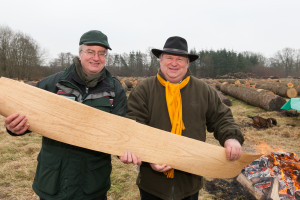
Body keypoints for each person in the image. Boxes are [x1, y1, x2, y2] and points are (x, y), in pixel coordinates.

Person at [5, 30, 130, 200]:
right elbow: (26, 116)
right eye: (90, 52)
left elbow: (119, 135)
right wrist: (14, 128)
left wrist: (124, 152)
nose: (96, 57)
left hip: (92, 184)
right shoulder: (53, 83)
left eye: (102, 53)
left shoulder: (115, 90)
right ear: (80, 53)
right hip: (54, 181)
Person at [125, 36, 244, 200]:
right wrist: (149, 157)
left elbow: (222, 118)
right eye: (169, 58)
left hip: (190, 183)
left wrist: (232, 137)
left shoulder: (203, 90)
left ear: (187, 63)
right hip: (153, 185)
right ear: (160, 60)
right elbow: (133, 127)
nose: (174, 63)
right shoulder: (144, 90)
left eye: (180, 59)